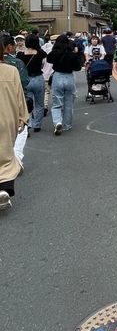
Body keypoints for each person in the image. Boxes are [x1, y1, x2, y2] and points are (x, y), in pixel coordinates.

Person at [0, 39, 29, 210]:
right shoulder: (11, 70)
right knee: (5, 154)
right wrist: (22, 118)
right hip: (6, 118)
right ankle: (4, 188)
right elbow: (20, 97)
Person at [2, 33, 30, 171]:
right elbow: (25, 82)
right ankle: (16, 158)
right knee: (20, 130)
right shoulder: (15, 64)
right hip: (12, 102)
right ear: (8, 47)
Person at [47, 34, 82, 135]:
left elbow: (49, 59)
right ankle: (67, 125)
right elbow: (78, 67)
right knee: (69, 103)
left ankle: (58, 122)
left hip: (57, 77)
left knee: (56, 103)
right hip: (69, 77)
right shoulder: (71, 54)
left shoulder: (55, 52)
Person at [17, 34, 46, 133]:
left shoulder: (20, 55)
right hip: (38, 78)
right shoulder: (41, 53)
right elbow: (43, 65)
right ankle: (37, 125)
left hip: (26, 80)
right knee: (39, 104)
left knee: (27, 104)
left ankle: (28, 124)